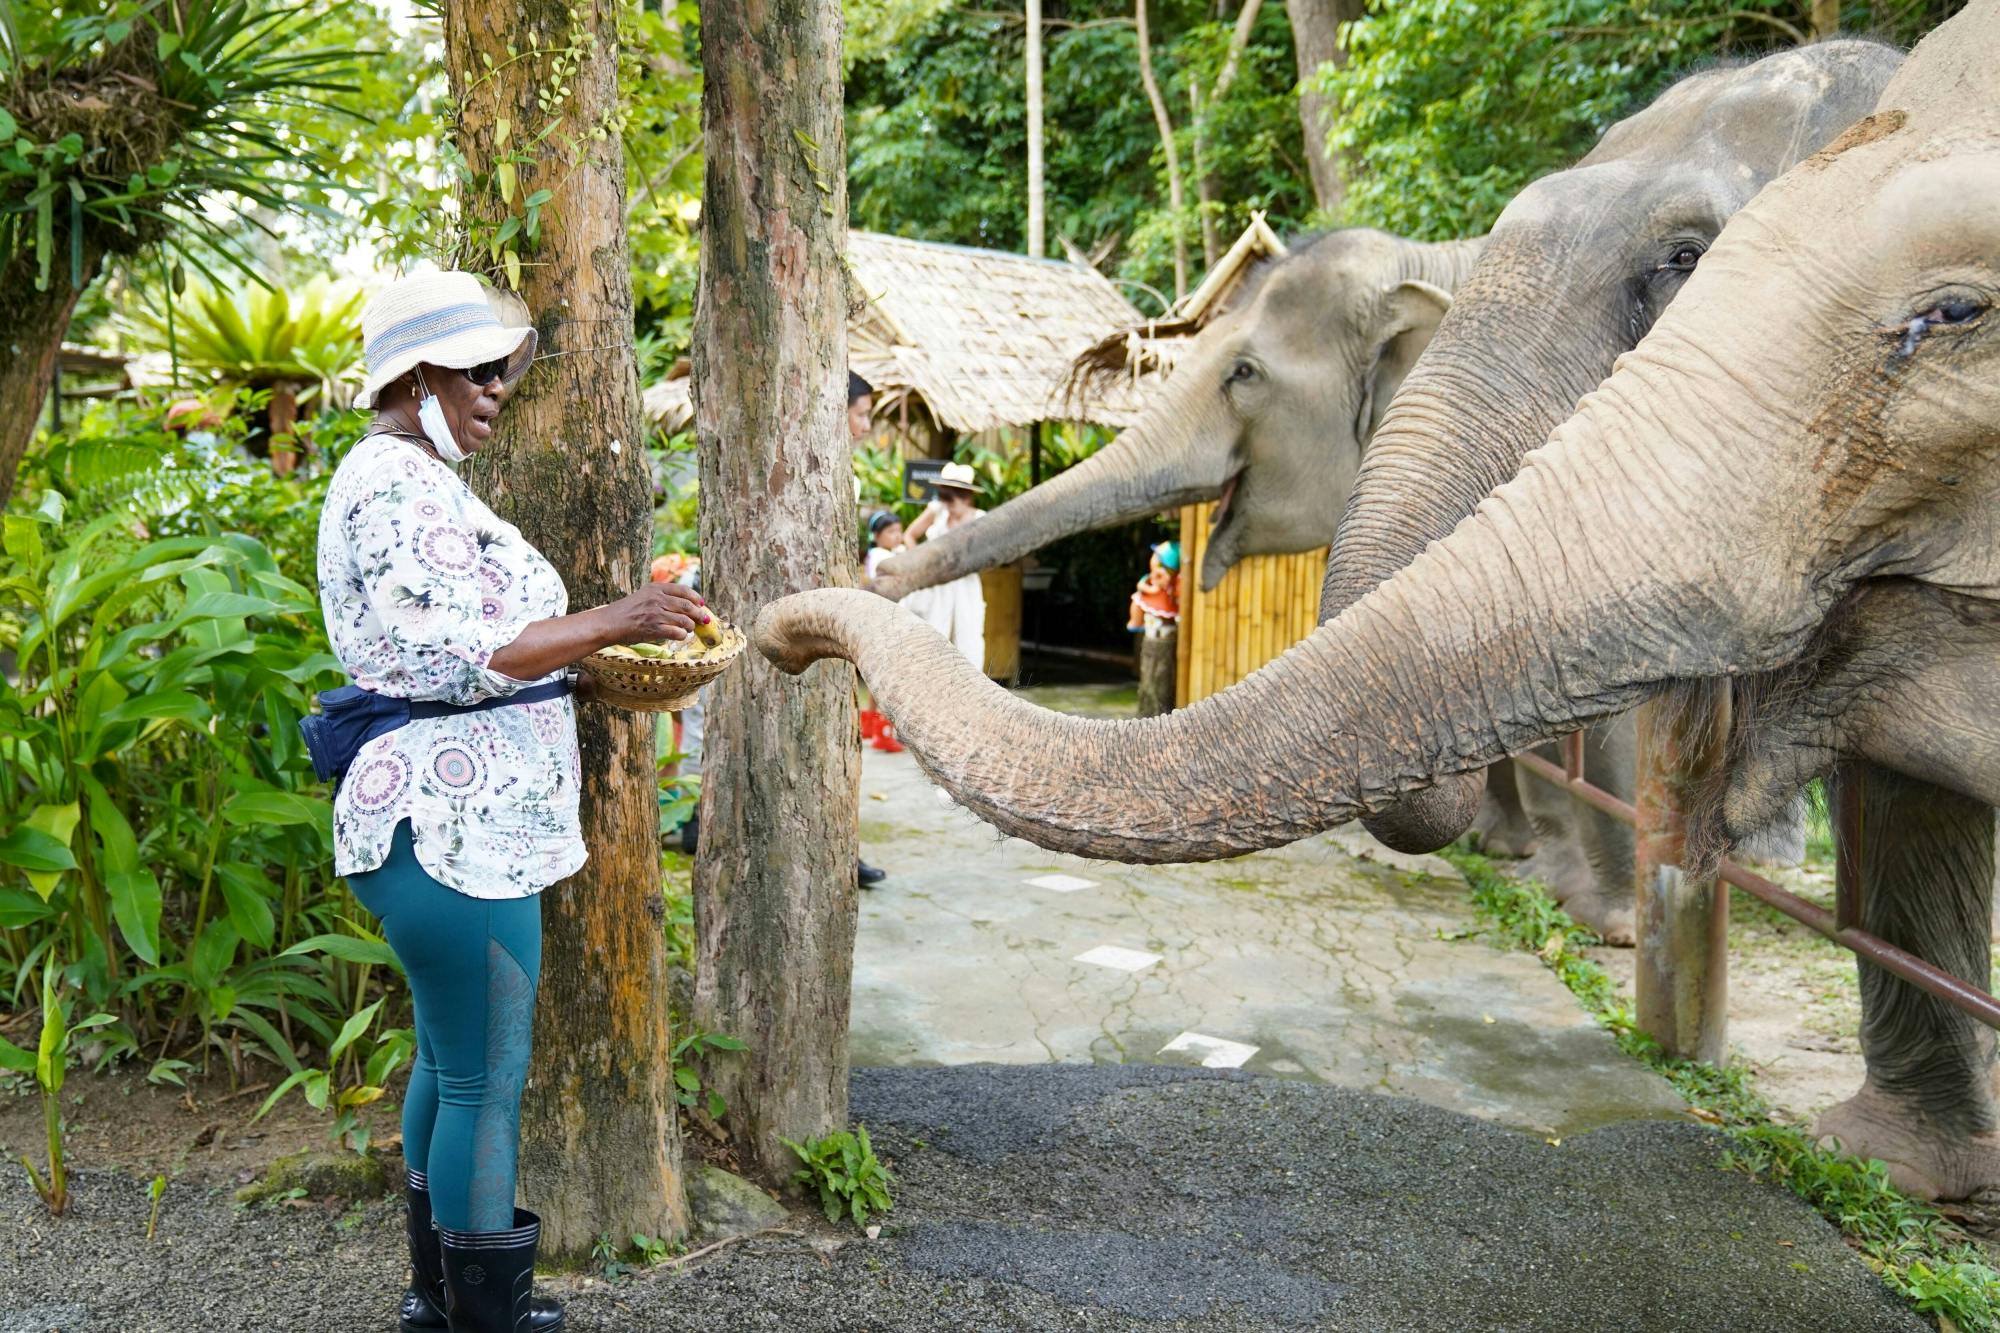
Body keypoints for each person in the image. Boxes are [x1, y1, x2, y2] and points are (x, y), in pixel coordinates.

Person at [318, 269, 709, 1333]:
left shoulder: (411, 477)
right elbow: (468, 648)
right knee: (486, 1081)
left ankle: (436, 1301)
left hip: (451, 825)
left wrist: (580, 663)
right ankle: (478, 1320)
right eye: (476, 368)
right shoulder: (397, 483)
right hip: (451, 831)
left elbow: (466, 655)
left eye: (502, 369)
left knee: (452, 1066)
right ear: (414, 374)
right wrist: (619, 615)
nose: (497, 386)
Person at [903, 461, 986, 670]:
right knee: (934, 633)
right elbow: (910, 535)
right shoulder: (937, 510)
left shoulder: (980, 519)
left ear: (966, 495)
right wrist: (922, 562)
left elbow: (988, 556)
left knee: (969, 638)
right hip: (937, 583)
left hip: (965, 584)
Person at [862, 508, 903, 586]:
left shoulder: (883, 552)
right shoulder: (879, 554)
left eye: (899, 531)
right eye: (891, 531)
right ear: (876, 535)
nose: (897, 536)